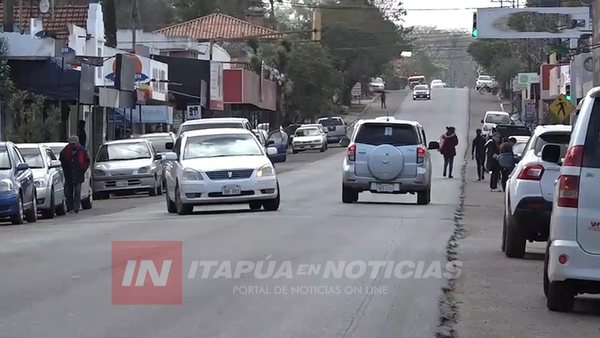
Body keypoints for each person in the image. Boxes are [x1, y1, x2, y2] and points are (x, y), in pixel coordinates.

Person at [59, 136, 90, 214]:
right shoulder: (65, 151)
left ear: (77, 143)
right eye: (71, 144)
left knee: (77, 191)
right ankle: (70, 207)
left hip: (78, 174)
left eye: (74, 144)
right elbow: (62, 161)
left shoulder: (82, 150)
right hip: (68, 175)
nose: (73, 145)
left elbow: (87, 161)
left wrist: (83, 169)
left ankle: (76, 207)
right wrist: (65, 170)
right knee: (68, 192)